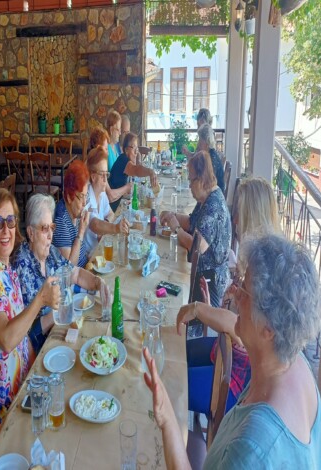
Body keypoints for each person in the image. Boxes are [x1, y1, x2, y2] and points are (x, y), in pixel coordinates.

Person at [144, 234, 321, 469]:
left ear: (269, 328)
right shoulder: (293, 361)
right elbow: (232, 323)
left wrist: (168, 418)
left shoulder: (253, 450)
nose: (237, 295)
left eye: (245, 291)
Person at [0, 188, 60, 449]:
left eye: (10, 221)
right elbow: (7, 340)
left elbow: (22, 333)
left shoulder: (6, 270)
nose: (6, 230)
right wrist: (40, 299)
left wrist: (37, 370)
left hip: (19, 387)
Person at [180, 177, 281, 415]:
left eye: (238, 213)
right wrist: (214, 308)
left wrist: (201, 309)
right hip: (224, 353)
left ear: (253, 216)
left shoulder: (269, 270)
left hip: (237, 380)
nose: (234, 220)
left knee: (173, 382)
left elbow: (239, 330)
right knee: (175, 353)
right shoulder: (255, 258)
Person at [13, 193, 107, 354]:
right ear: (31, 233)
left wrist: (98, 283)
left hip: (59, 330)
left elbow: (75, 274)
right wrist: (60, 313)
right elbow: (27, 332)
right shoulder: (22, 267)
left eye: (52, 227)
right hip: (39, 349)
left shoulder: (51, 252)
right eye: (45, 229)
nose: (51, 235)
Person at [160, 151, 230, 307]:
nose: (189, 185)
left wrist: (176, 228)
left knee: (169, 287)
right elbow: (191, 222)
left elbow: (197, 247)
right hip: (202, 271)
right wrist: (172, 215)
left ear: (201, 179)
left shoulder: (213, 206)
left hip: (209, 281)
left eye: (191, 180)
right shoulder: (206, 196)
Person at [84, 147, 129, 257]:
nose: (105, 180)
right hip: (89, 255)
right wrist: (115, 228)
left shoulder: (101, 193)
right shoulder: (87, 197)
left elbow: (110, 213)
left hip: (100, 248)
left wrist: (105, 226)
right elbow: (94, 224)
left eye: (107, 174)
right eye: (102, 175)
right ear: (93, 177)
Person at [52, 160, 90, 267]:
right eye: (81, 197)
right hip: (75, 275)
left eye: (86, 196)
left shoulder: (75, 212)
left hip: (85, 267)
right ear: (69, 197)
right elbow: (69, 267)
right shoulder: (61, 222)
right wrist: (81, 233)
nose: (85, 203)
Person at [109, 132, 158, 212]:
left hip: (116, 204)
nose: (136, 152)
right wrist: (150, 171)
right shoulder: (123, 160)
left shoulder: (125, 159)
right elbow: (136, 170)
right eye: (133, 148)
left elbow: (136, 171)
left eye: (137, 148)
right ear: (126, 150)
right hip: (110, 208)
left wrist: (137, 158)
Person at [89, 127, 132, 205]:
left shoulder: (92, 160)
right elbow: (110, 196)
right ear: (98, 148)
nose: (108, 153)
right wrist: (127, 188)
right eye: (106, 149)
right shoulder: (95, 168)